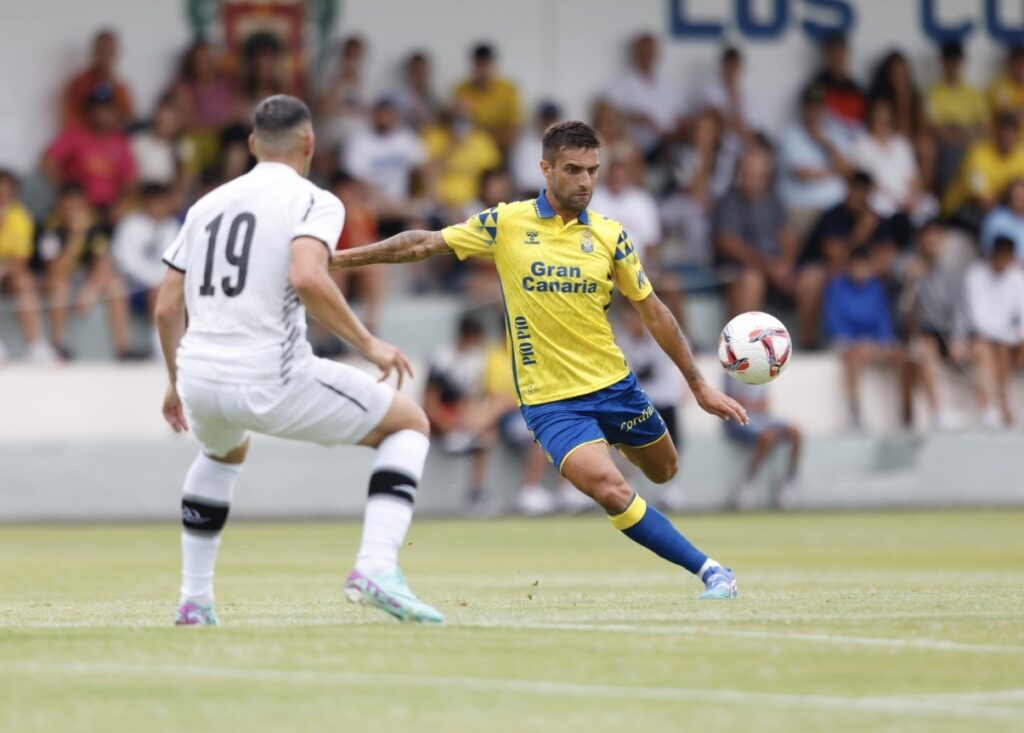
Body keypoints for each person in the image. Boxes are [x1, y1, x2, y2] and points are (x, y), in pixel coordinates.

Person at [329, 120, 748, 600]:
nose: (585, 181)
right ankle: (713, 571)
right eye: (572, 169)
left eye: (592, 170)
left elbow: (653, 313)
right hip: (551, 402)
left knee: (664, 471)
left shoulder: (612, 236)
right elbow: (423, 243)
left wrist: (697, 384)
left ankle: (610, 445)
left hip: (616, 387)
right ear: (545, 168)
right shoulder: (507, 223)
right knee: (611, 491)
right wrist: (337, 260)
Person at [155, 95, 441, 626]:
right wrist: (369, 343)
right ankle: (376, 567)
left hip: (199, 375)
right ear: (309, 144)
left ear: (251, 146)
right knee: (409, 423)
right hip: (268, 374)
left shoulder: (205, 205)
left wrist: (175, 382)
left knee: (222, 454)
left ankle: (194, 602)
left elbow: (167, 305)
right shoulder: (316, 201)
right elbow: (308, 275)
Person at [34, 183, 136, 361]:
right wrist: (75, 238)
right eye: (67, 207)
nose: (72, 212)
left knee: (116, 286)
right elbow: (54, 269)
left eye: (77, 207)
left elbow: (103, 263)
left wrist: (90, 290)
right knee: (60, 286)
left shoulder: (94, 227)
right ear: (59, 206)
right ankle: (57, 346)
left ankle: (122, 349)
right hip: (51, 280)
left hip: (83, 280)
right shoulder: (48, 227)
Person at [796, 171, 882, 349]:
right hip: (823, 268)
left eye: (863, 191)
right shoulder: (833, 216)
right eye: (854, 190)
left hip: (859, 270)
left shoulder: (875, 217)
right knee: (812, 280)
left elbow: (885, 252)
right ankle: (808, 344)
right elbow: (834, 258)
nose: (857, 196)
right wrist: (861, 232)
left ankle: (879, 341)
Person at [896, 221, 967, 429]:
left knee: (983, 349)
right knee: (925, 348)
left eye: (936, 236)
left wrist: (958, 338)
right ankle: (937, 411)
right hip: (917, 332)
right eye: (927, 236)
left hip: (946, 333)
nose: (931, 241)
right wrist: (911, 280)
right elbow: (903, 309)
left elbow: (959, 309)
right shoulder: (906, 266)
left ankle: (990, 409)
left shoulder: (951, 273)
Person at [713, 143, 798, 316]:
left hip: (776, 269)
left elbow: (788, 236)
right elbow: (728, 245)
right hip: (738, 269)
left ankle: (809, 342)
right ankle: (742, 342)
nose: (750, 177)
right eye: (746, 171)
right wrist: (769, 267)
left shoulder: (774, 200)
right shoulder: (729, 201)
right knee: (752, 279)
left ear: (766, 176)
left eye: (756, 174)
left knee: (812, 278)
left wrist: (786, 265)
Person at [824, 246, 897, 429]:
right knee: (855, 354)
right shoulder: (837, 286)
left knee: (901, 354)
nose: (861, 271)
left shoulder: (876, 288)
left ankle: (905, 413)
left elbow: (882, 320)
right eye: (857, 266)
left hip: (871, 343)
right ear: (849, 267)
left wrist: (883, 341)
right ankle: (855, 412)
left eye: (865, 267)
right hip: (842, 341)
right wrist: (853, 341)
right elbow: (834, 321)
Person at [43, 85, 137, 223]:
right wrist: (67, 191)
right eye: (97, 108)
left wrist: (120, 206)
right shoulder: (75, 134)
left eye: (108, 109)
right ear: (89, 111)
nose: (102, 113)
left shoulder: (120, 141)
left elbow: (129, 181)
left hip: (110, 209)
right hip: (79, 207)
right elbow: (47, 162)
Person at [343, 97, 429, 235]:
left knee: (419, 227)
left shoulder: (406, 138)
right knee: (358, 216)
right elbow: (359, 183)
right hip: (372, 204)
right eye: (381, 113)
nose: (384, 117)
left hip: (402, 202)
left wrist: (423, 196)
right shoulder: (360, 141)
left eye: (388, 113)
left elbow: (424, 170)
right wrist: (393, 206)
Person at [962, 236, 1024, 428]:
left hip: (1008, 338)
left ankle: (1003, 404)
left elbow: (1022, 315)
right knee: (986, 349)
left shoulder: (1016, 277)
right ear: (992, 256)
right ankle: (990, 406)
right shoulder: (975, 275)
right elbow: (977, 319)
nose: (1002, 262)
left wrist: (1017, 338)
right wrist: (1006, 336)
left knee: (1002, 349)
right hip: (980, 336)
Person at [779, 83, 852, 240]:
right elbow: (803, 174)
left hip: (835, 208)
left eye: (818, 107)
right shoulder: (792, 135)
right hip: (803, 208)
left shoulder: (834, 132)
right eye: (810, 107)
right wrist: (833, 171)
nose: (814, 112)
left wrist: (826, 143)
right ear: (803, 108)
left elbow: (847, 170)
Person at [112, 183, 181, 347]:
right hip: (133, 286)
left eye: (163, 203)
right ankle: (131, 347)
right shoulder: (130, 225)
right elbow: (128, 264)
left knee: (165, 290)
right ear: (145, 202)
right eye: (155, 202)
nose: (159, 207)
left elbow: (177, 261)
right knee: (154, 290)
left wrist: (160, 281)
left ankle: (166, 343)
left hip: (161, 284)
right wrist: (156, 280)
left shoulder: (172, 225)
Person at [0, 170, 54, 364]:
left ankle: (34, 344)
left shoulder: (21, 218)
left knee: (25, 281)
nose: (2, 199)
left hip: (8, 276)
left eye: (6, 194)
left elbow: (19, 263)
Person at [723, 379, 801, 510]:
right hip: (739, 421)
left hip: (763, 419)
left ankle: (788, 482)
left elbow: (765, 404)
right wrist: (753, 405)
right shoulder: (731, 370)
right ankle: (746, 482)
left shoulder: (764, 370)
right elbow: (738, 404)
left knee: (796, 433)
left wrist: (752, 405)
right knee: (768, 436)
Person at [601, 33, 681, 161]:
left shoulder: (665, 85)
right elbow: (603, 109)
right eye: (643, 52)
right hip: (639, 145)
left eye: (650, 52)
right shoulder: (624, 83)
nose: (647, 56)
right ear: (636, 54)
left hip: (667, 142)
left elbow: (676, 118)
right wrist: (638, 118)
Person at [942, 114, 1024, 232]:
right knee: (995, 224)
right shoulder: (977, 155)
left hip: (1001, 208)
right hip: (961, 208)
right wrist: (1011, 195)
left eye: (1012, 132)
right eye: (1004, 131)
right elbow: (984, 202)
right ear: (996, 132)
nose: (1008, 137)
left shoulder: (1020, 156)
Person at [927, 40, 989, 194]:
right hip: (948, 144)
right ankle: (947, 200)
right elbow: (935, 128)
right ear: (942, 63)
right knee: (950, 152)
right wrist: (960, 135)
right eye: (949, 61)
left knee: (981, 151)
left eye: (956, 61)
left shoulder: (973, 93)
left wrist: (968, 135)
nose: (953, 66)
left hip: (971, 141)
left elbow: (985, 126)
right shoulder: (933, 93)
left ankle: (978, 196)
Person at [454, 43, 522, 150]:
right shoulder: (462, 90)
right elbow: (459, 127)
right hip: (471, 146)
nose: (482, 71)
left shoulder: (508, 90)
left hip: (501, 147)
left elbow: (513, 128)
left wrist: (489, 138)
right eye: (479, 65)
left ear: (492, 65)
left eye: (485, 65)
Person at [62, 29, 134, 128]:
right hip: (84, 139)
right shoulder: (79, 84)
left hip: (112, 139)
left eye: (109, 52)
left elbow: (129, 119)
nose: (104, 57)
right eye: (101, 51)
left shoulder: (120, 88)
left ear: (115, 54)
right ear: (93, 52)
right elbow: (70, 120)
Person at [810, 34, 865, 141]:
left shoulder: (857, 90)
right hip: (826, 144)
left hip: (854, 144)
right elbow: (813, 122)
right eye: (833, 55)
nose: (837, 60)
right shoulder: (817, 87)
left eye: (840, 54)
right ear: (827, 56)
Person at [700, 47, 755, 145]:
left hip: (739, 145)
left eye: (735, 66)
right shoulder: (711, 89)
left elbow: (747, 130)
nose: (732, 71)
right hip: (717, 142)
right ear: (723, 66)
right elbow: (720, 120)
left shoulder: (745, 95)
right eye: (729, 66)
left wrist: (734, 96)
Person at [981, 178, 1024, 261]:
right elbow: (988, 251)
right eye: (1017, 196)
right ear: (1010, 196)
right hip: (1000, 268)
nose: (1020, 200)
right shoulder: (995, 219)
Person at [988, 44, 1024, 123]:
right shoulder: (999, 86)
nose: (1021, 66)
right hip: (1010, 135)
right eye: (1018, 62)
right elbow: (1007, 113)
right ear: (1010, 62)